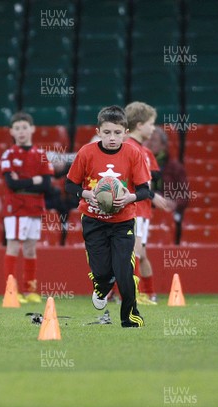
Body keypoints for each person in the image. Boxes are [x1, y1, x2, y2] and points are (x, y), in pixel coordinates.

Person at [65, 105, 151, 328]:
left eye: (117, 133)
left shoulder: (134, 153)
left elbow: (145, 189)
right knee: (102, 272)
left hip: (123, 223)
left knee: (124, 270)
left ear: (125, 131)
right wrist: (86, 194)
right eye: (107, 132)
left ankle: (130, 317)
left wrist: (129, 198)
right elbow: (69, 184)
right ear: (98, 131)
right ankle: (102, 286)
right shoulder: (86, 152)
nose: (112, 138)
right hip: (93, 221)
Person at [1, 112, 54, 303]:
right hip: (15, 207)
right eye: (17, 128)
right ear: (11, 132)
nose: (21, 132)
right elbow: (11, 184)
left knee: (31, 249)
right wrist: (35, 180)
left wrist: (23, 182)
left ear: (32, 129)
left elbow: (47, 185)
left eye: (24, 127)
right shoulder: (9, 154)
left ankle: (29, 290)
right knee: (14, 246)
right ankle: (11, 291)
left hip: (35, 207)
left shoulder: (41, 154)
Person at [124, 102, 171, 304]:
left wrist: (152, 195)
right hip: (133, 209)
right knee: (134, 252)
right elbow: (133, 182)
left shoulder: (145, 152)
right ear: (140, 124)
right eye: (151, 124)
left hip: (142, 211)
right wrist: (153, 196)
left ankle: (148, 293)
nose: (153, 128)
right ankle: (133, 294)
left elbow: (151, 180)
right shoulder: (128, 149)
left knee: (139, 253)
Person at [144, 127, 189, 226]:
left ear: (163, 146)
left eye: (154, 140)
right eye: (147, 139)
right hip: (142, 211)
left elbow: (184, 196)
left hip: (165, 213)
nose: (149, 143)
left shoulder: (175, 167)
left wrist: (174, 203)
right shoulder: (137, 164)